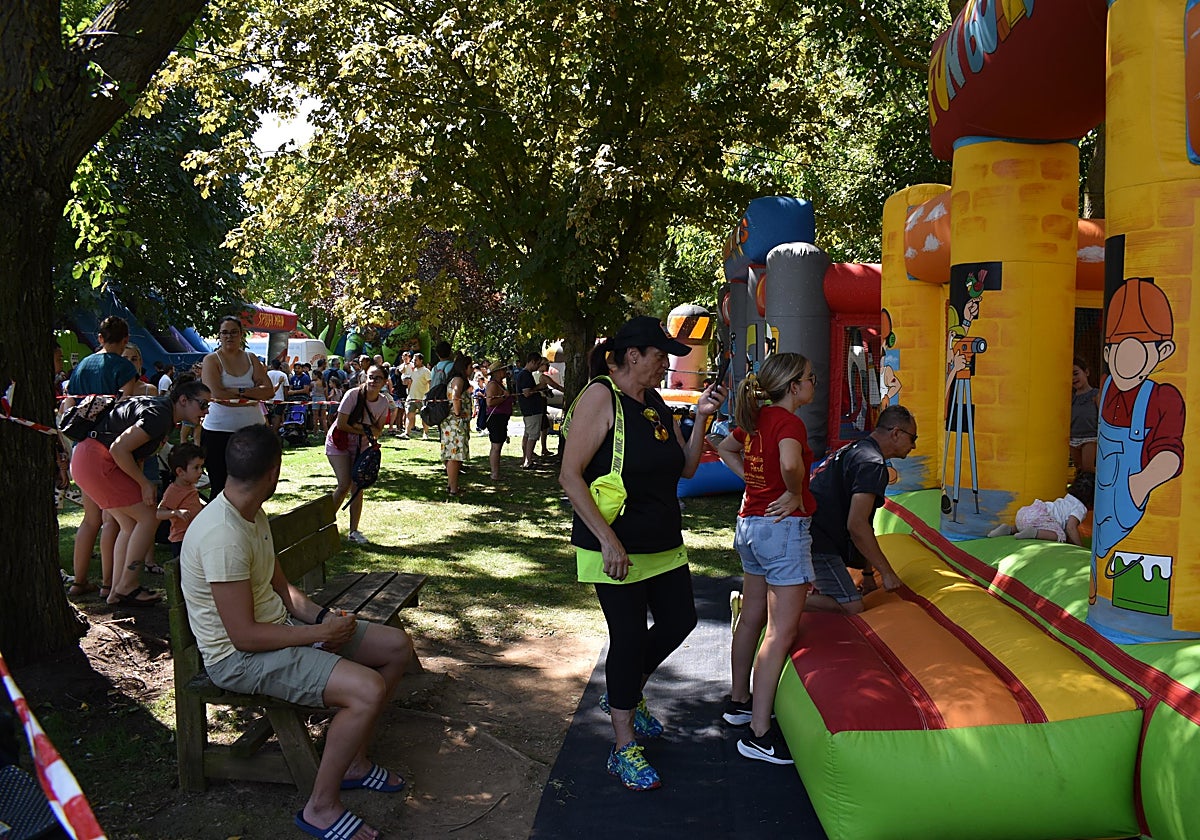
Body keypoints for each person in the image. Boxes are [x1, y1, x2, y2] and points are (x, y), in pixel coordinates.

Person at [179, 425, 413, 840]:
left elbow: (282, 588)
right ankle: (320, 808)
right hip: (238, 661)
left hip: (278, 632)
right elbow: (244, 638)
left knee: (395, 646)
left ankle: (355, 763)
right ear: (274, 472)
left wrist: (322, 618)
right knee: (366, 689)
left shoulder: (251, 512)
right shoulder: (223, 536)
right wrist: (315, 635)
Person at [558, 316, 725, 791]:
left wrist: (704, 417)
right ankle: (622, 744)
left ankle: (623, 692)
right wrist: (610, 541)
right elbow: (570, 476)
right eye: (659, 354)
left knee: (681, 621)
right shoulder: (599, 397)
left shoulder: (653, 401)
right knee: (628, 639)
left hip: (663, 542)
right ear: (633, 354)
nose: (666, 363)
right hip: (615, 547)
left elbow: (688, 468)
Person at [716, 353, 817, 765]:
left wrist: (755, 483)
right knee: (780, 632)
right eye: (810, 378)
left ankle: (739, 701)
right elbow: (791, 462)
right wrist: (793, 492)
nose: (814, 383)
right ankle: (759, 734)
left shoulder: (757, 419)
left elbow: (725, 447)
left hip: (750, 526)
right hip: (782, 530)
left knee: (753, 614)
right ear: (793, 386)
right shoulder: (788, 422)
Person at [70, 377, 211, 606]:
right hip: (96, 461)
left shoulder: (162, 414)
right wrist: (144, 483)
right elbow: (119, 448)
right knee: (148, 517)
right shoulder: (160, 414)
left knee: (129, 524)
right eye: (203, 404)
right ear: (183, 400)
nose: (205, 411)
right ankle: (127, 585)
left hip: (89, 459)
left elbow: (135, 452)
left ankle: (116, 590)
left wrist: (140, 484)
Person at [807, 404, 918, 613]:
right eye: (913, 438)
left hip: (809, 532)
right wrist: (886, 572)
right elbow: (856, 525)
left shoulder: (857, 449)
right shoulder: (872, 465)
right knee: (852, 607)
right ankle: (768, 604)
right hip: (816, 540)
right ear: (896, 433)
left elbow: (864, 522)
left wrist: (868, 575)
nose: (914, 446)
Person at [65, 316, 142, 599]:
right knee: (115, 520)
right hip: (108, 449)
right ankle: (110, 585)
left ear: (99, 338)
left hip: (82, 447)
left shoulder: (82, 365)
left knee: (90, 519)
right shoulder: (123, 366)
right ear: (124, 341)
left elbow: (70, 403)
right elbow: (125, 409)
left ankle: (79, 581)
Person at [201, 317, 274, 498]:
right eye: (224, 332)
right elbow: (215, 392)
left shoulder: (251, 358)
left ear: (241, 335)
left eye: (234, 332)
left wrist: (238, 391)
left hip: (252, 431)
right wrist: (252, 392)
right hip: (218, 432)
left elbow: (268, 390)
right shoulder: (212, 360)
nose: (229, 336)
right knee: (220, 487)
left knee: (255, 485)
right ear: (219, 336)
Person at [327, 365, 389, 544]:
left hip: (361, 447)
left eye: (378, 378)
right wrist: (364, 430)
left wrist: (364, 431)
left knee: (358, 487)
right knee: (344, 484)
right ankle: (323, 523)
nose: (373, 381)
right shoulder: (353, 395)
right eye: (370, 377)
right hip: (339, 444)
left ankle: (353, 531)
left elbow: (378, 431)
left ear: (384, 381)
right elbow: (341, 424)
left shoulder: (383, 402)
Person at [988, 471, 1095, 545]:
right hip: (1038, 518)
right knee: (1061, 536)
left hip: (1025, 513)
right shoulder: (1080, 508)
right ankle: (1034, 533)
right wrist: (1079, 546)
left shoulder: (1067, 498)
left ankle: (1008, 529)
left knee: (1030, 522)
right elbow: (1071, 527)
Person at [158, 443, 206, 558]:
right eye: (196, 467)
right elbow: (159, 513)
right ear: (180, 472)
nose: (200, 471)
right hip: (181, 539)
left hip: (194, 534)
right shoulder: (174, 491)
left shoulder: (190, 485)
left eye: (201, 467)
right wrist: (176, 512)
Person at [440, 356, 472, 497]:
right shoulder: (458, 380)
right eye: (470, 367)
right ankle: (454, 489)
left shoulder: (454, 379)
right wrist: (458, 413)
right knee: (454, 455)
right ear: (464, 367)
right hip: (455, 423)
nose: (471, 370)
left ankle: (450, 485)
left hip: (451, 423)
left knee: (453, 454)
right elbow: (455, 395)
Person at [514, 353, 548, 469]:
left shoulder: (524, 375)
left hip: (530, 410)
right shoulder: (525, 375)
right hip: (532, 410)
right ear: (532, 361)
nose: (538, 367)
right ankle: (528, 461)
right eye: (538, 364)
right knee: (532, 436)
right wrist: (540, 387)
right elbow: (527, 393)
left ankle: (526, 459)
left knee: (528, 435)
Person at [483, 362, 514, 480]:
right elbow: (490, 403)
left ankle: (496, 472)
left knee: (498, 445)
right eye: (502, 369)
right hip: (496, 418)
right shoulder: (492, 385)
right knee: (496, 446)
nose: (505, 371)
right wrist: (504, 397)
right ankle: (494, 473)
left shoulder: (499, 384)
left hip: (501, 418)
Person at [1070, 358, 1101, 475]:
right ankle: (1082, 491)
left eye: (1076, 373)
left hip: (1090, 437)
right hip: (1073, 437)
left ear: (1086, 372)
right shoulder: (1071, 398)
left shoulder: (1095, 394)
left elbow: (1101, 417)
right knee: (1079, 469)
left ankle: (1092, 490)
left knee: (1088, 469)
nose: (1073, 378)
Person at [534, 359, 564, 456]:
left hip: (538, 404)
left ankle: (542, 449)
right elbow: (555, 386)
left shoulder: (533, 375)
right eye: (546, 365)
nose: (548, 367)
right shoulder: (542, 377)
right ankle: (537, 450)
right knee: (539, 427)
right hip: (539, 403)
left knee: (543, 426)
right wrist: (565, 390)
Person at [402, 353, 431, 440]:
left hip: (422, 398)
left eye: (415, 360)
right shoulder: (412, 370)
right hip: (411, 397)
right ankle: (406, 433)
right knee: (409, 415)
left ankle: (425, 434)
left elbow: (430, 383)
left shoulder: (426, 371)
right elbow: (406, 382)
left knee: (424, 417)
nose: (413, 362)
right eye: (413, 360)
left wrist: (428, 396)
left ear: (421, 360)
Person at [266, 358, 289, 432]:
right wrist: (286, 398)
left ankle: (271, 431)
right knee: (277, 416)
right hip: (279, 399)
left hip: (268, 399)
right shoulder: (283, 375)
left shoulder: (267, 374)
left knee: (269, 416)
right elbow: (286, 388)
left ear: (272, 365)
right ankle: (275, 431)